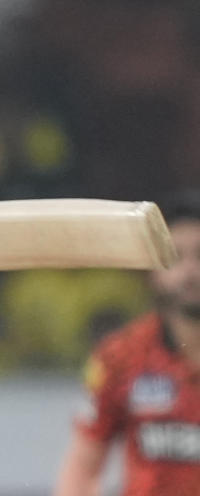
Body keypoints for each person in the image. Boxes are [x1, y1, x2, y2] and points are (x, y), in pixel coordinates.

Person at [53, 191, 200, 495]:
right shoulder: (120, 355)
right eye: (175, 256)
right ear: (153, 266)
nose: (190, 272)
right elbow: (82, 469)